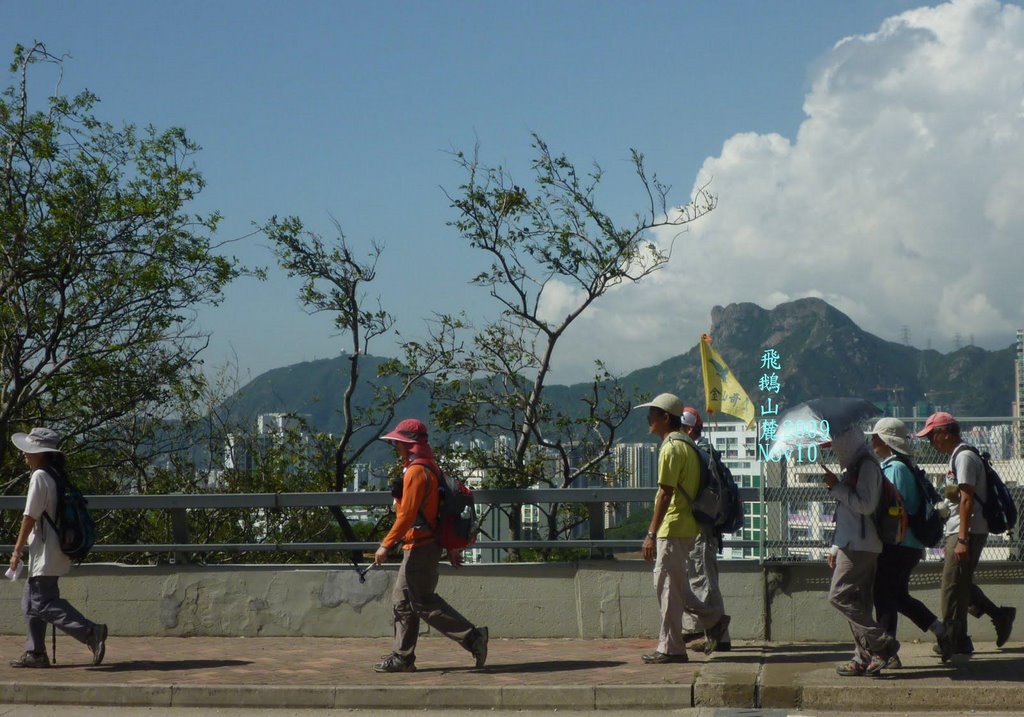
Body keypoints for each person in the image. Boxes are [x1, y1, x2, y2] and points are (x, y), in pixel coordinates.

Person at [372, 418, 489, 673]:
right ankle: (402, 657)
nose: (396, 447)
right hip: (423, 544)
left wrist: (385, 545)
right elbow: (440, 512)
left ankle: (473, 637)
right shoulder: (431, 467)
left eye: (399, 443)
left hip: (420, 547)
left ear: (408, 445)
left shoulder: (416, 471)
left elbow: (407, 516)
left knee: (422, 602)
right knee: (402, 602)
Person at [915, 411, 1015, 657]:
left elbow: (967, 499)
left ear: (945, 433)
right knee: (961, 585)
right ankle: (987, 624)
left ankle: (952, 638)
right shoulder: (958, 457)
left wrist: (961, 539)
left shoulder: (964, 457)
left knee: (951, 586)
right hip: (964, 529)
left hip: (965, 531)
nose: (930, 443)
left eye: (932, 437)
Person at [7, 427, 107, 668]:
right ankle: (35, 653)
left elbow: (29, 517)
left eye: (28, 451)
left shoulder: (40, 476)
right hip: (54, 550)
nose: (24, 455)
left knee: (42, 603)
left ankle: (90, 631)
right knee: (30, 602)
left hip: (46, 552)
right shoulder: (55, 474)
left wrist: (16, 551)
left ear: (40, 454)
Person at [866, 417, 953, 664]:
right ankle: (940, 630)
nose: (872, 441)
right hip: (911, 545)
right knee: (898, 596)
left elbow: (891, 508)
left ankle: (884, 652)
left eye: (876, 437)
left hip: (897, 544)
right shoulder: (906, 466)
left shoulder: (895, 469)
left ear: (886, 441)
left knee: (883, 594)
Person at [823, 425, 900, 677]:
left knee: (838, 596)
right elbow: (846, 513)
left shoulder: (867, 466)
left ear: (846, 443)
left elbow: (865, 505)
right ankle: (863, 658)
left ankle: (882, 643)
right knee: (859, 603)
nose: (835, 452)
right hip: (852, 543)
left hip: (860, 545)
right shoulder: (854, 467)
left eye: (836, 446)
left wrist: (836, 486)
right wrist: (835, 545)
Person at [634, 392, 704, 664]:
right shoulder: (687, 445)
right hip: (685, 525)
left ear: (665, 418)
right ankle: (713, 618)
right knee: (673, 588)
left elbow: (665, 494)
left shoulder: (671, 448)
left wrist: (651, 533)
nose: (648, 419)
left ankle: (671, 649)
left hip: (672, 526)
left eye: (652, 414)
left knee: (665, 588)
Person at [678, 406, 732, 653]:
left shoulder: (699, 453)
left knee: (702, 579)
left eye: (680, 428)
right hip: (706, 526)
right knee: (705, 577)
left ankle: (712, 633)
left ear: (689, 428)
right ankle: (719, 638)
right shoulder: (706, 451)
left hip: (700, 525)